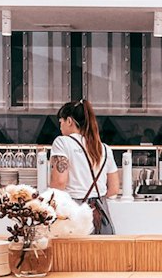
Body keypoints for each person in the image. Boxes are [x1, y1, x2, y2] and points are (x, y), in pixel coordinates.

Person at [50, 99, 119, 234]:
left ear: (69, 121)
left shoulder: (62, 142)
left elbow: (59, 183)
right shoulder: (104, 148)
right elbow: (114, 188)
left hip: (75, 217)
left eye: (61, 122)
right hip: (101, 218)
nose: (60, 127)